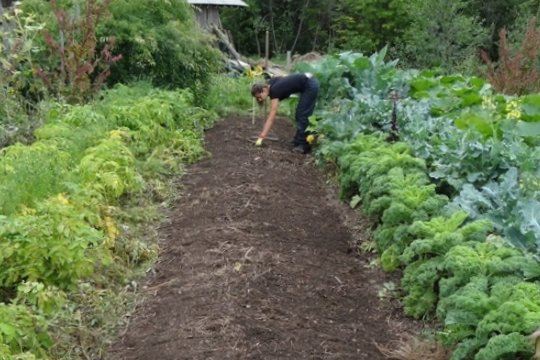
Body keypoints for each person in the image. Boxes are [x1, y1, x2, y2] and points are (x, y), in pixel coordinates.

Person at [251, 72, 319, 154]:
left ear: (264, 90)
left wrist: (262, 136)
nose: (260, 100)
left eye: (259, 97)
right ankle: (298, 140)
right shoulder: (270, 84)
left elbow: (271, 117)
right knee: (299, 114)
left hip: (310, 84)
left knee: (303, 115)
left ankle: (304, 145)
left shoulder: (274, 90)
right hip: (308, 80)